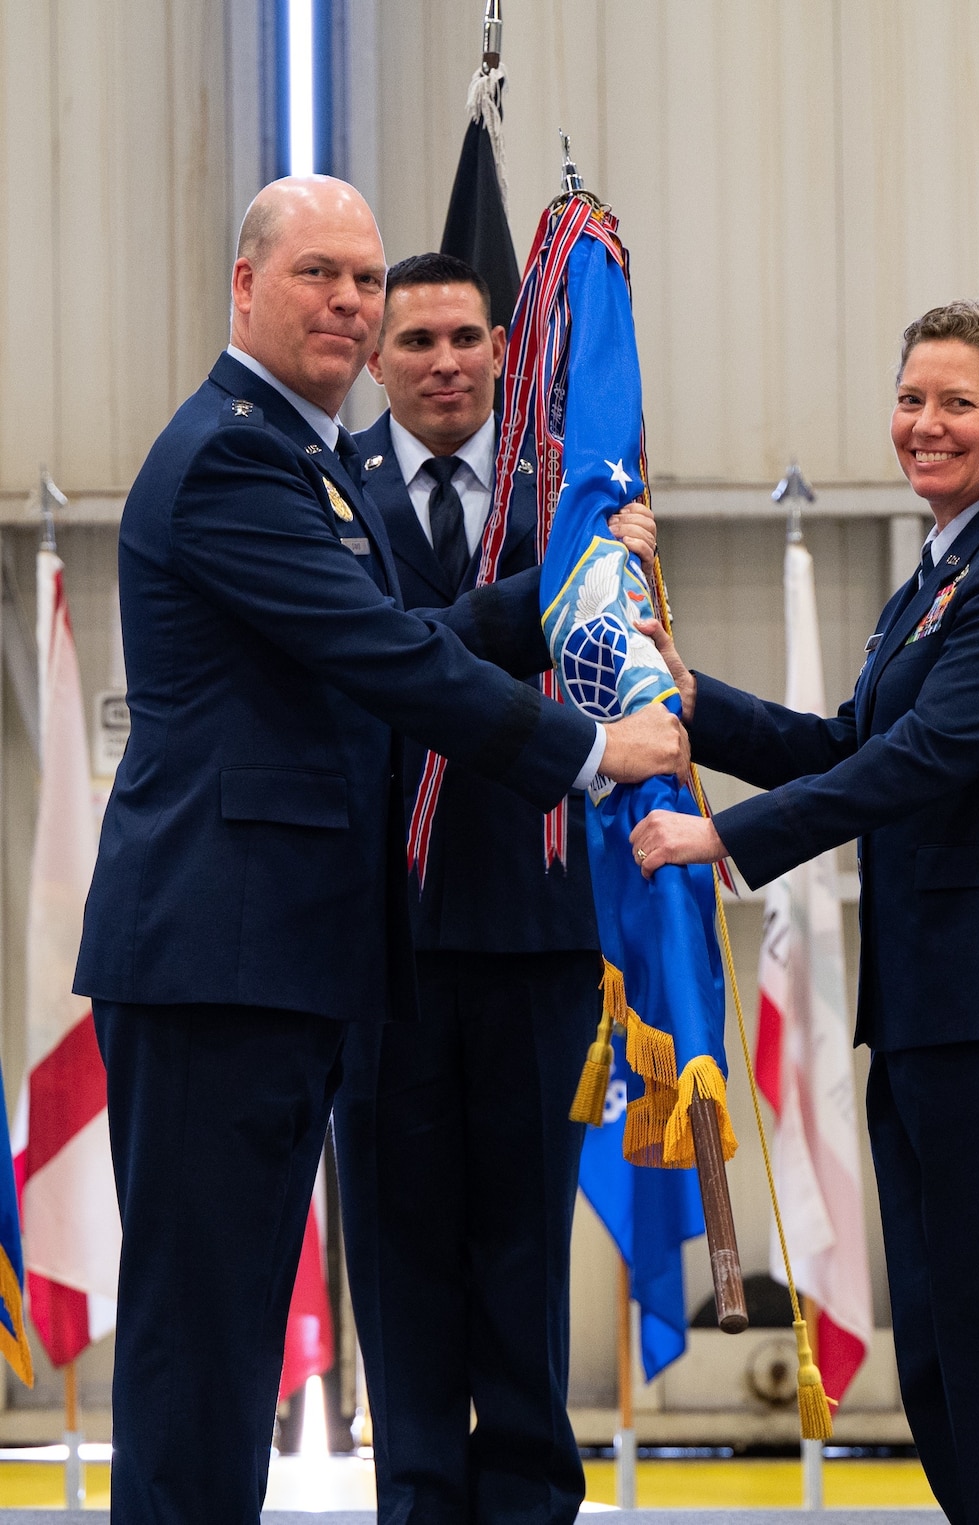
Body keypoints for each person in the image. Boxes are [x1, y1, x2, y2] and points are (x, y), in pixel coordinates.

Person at [73, 177, 686, 1525]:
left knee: (223, 1330)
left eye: (363, 277)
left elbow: (415, 638)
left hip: (278, 965)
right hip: (216, 963)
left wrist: (571, 575)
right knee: (200, 1347)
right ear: (245, 287)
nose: (349, 301)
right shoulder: (239, 455)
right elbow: (388, 655)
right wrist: (591, 754)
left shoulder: (295, 461)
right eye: (319, 276)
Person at [632, 300, 979, 1525]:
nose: (922, 424)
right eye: (910, 398)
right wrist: (694, 702)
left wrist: (723, 838)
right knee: (946, 1374)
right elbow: (844, 742)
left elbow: (924, 758)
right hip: (938, 1023)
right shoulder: (945, 570)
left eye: (955, 402)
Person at [335, 251, 654, 1523]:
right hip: (380, 941)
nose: (446, 362)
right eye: (414, 342)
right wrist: (554, 586)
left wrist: (608, 562)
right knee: (398, 1252)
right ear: (376, 362)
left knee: (525, 1251)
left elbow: (619, 664)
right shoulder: (323, 494)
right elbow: (379, 659)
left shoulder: (571, 496)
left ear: (507, 353)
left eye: (469, 337)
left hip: (536, 934)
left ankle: (527, 1497)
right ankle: (414, 1492)